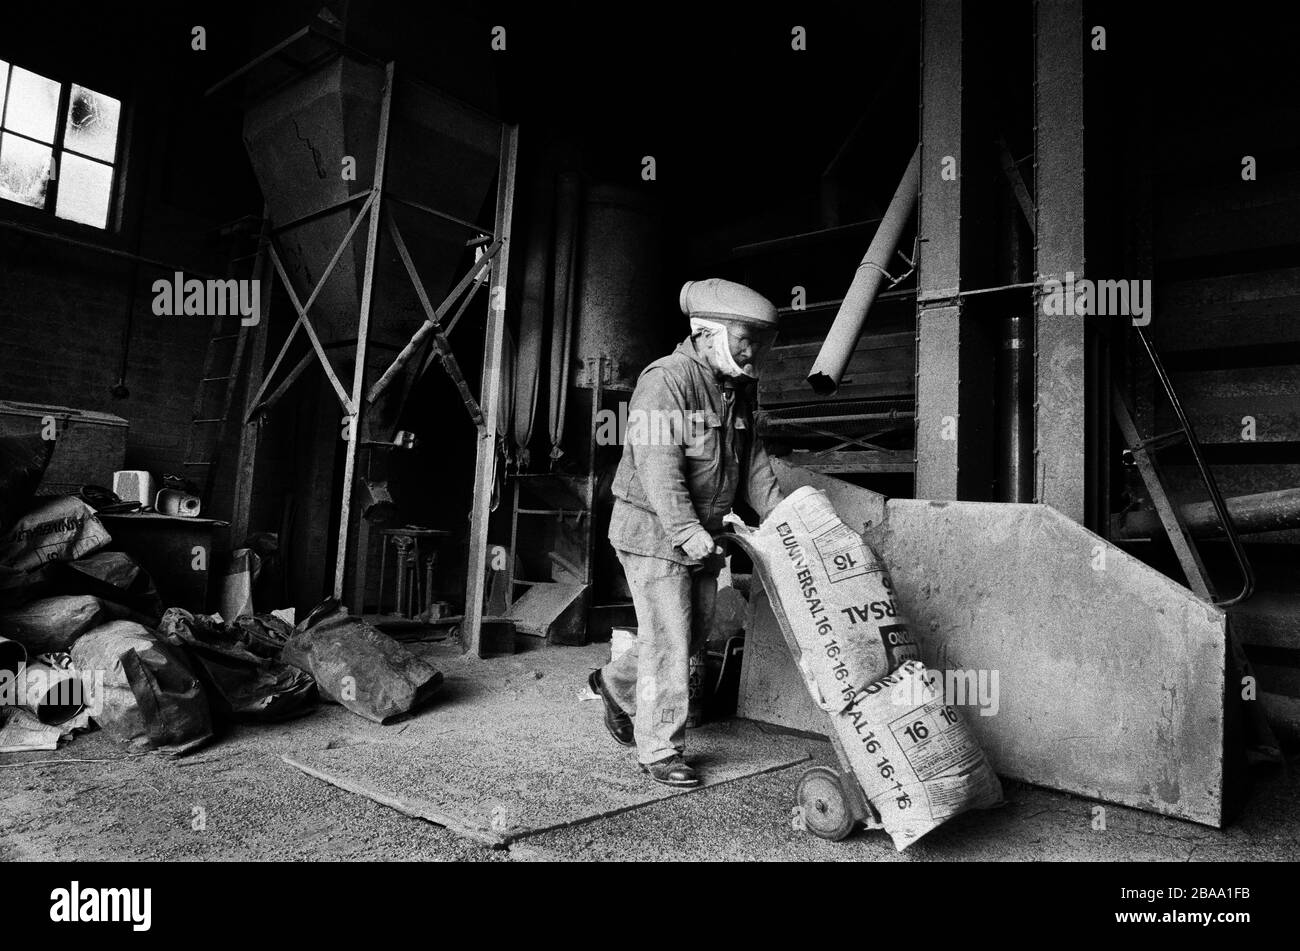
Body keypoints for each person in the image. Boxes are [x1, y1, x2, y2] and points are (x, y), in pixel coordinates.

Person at [588, 278, 785, 787]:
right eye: (745, 337)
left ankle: (615, 683)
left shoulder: (735, 388)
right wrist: (685, 529)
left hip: (702, 534)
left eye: (760, 340)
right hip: (654, 532)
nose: (753, 349)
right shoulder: (667, 380)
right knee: (672, 641)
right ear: (708, 332)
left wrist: (786, 519)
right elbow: (658, 463)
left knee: (689, 636)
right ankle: (659, 750)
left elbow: (754, 464)